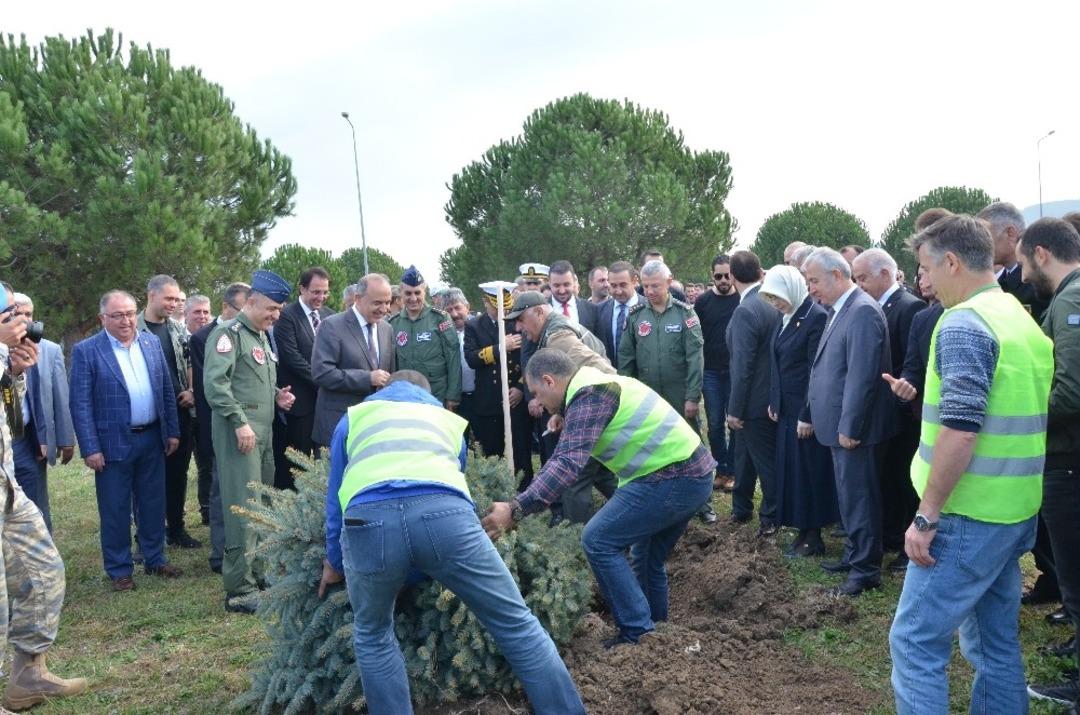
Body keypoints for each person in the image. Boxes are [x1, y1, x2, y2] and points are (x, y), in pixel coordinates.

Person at [316, 369, 585, 714]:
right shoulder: (447, 420)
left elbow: (336, 496)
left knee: (372, 632)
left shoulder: (354, 418)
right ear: (428, 394)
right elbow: (448, 485)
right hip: (445, 517)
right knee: (515, 621)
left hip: (367, 522)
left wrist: (336, 563)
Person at [885, 214, 1053, 714]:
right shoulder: (1016, 317)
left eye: (926, 269)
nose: (925, 282)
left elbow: (960, 428)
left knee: (914, 642)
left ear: (952, 262)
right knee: (994, 644)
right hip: (1015, 511)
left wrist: (927, 514)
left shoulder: (963, 324)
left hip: (965, 515)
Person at [484, 348, 715, 647]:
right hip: (688, 473)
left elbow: (566, 464)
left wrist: (516, 509)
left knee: (598, 539)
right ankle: (657, 638)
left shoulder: (590, 395)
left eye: (536, 393)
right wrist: (566, 416)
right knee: (646, 558)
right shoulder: (592, 385)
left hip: (673, 476)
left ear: (549, 380)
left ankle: (637, 632)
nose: (537, 403)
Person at [0, 284, 87, 711]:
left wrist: (13, 373)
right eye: (8, 315)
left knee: (44, 570)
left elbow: (14, 424)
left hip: (7, 489)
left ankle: (28, 674)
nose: (19, 321)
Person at [69, 290, 183, 590]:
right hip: (112, 444)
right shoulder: (87, 351)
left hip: (151, 438)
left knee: (153, 503)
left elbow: (165, 391)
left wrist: (171, 430)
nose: (125, 320)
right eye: (117, 315)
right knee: (116, 508)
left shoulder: (151, 342)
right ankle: (120, 569)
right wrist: (90, 447)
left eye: (130, 313)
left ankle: (155, 558)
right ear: (102, 318)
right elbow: (80, 404)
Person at [976, 201, 1059, 608]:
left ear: (1012, 235)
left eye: (988, 234)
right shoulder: (1003, 282)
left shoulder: (1039, 285)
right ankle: (1051, 576)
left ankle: (1057, 580)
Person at [1013, 218, 1080, 706]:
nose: (1019, 275)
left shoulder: (1072, 299)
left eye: (1020, 262)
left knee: (1075, 574)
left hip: (1068, 458)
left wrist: (1024, 421)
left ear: (1040, 253)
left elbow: (1071, 391)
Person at [203, 270, 297, 613]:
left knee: (260, 504)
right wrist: (241, 422)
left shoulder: (259, 336)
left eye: (279, 310)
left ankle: (258, 573)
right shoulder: (228, 335)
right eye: (271, 308)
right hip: (239, 432)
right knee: (242, 507)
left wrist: (276, 396)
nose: (275, 315)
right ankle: (238, 589)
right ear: (252, 301)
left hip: (263, 431)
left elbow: (247, 381)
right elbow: (216, 386)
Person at [804, 247, 895, 596]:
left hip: (856, 431)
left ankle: (865, 570)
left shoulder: (860, 313)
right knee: (850, 496)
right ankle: (856, 555)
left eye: (814, 280)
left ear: (837, 276)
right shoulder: (840, 309)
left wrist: (850, 427)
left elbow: (862, 376)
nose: (811, 288)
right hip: (841, 426)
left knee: (860, 499)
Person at [619, 260, 711, 523]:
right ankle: (657, 501)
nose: (650, 291)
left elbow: (696, 358)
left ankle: (704, 503)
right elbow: (626, 358)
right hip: (646, 396)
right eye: (646, 286)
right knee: (649, 445)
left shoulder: (685, 314)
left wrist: (693, 396)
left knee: (692, 445)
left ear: (669, 282)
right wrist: (626, 394)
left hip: (679, 394)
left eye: (655, 286)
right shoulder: (636, 316)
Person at [852, 248, 926, 572]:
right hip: (886, 412)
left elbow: (912, 363)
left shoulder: (909, 308)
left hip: (905, 411)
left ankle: (904, 544)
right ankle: (892, 535)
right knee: (891, 477)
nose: (859, 284)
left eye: (863, 277)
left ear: (885, 274)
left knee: (905, 478)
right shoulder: (877, 307)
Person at [513, 291, 615, 523]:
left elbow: (601, 369)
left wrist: (586, 410)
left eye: (521, 320)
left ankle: (578, 543)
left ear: (539, 311)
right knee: (600, 472)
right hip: (596, 408)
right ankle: (645, 518)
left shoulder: (557, 336)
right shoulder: (553, 328)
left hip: (595, 409)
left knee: (574, 480)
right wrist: (561, 411)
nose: (519, 328)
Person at [758, 266, 838, 555]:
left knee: (808, 473)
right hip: (786, 410)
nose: (774, 303)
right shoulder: (786, 317)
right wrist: (774, 400)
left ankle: (813, 536)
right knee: (792, 472)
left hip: (805, 413)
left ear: (791, 288)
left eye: (776, 296)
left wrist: (808, 414)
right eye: (769, 297)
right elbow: (779, 363)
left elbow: (815, 371)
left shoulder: (815, 317)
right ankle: (802, 531)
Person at [190, 282, 250, 574]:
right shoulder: (206, 337)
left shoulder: (253, 333)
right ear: (227, 308)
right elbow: (209, 390)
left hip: (250, 427)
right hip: (220, 425)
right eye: (244, 308)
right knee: (219, 490)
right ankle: (219, 553)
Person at [137, 275, 199, 549]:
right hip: (149, 415)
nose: (174, 304)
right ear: (151, 295)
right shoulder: (134, 329)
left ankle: (176, 528)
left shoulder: (178, 330)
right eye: (169, 298)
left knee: (178, 474)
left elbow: (190, 362)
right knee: (147, 478)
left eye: (177, 299)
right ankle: (148, 533)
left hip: (180, 411)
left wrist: (192, 391)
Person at [724, 251, 781, 534]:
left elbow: (742, 365)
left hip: (753, 402)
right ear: (761, 273)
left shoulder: (747, 310)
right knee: (743, 457)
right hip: (766, 396)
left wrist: (734, 409)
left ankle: (771, 518)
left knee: (764, 462)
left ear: (732, 277)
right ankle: (741, 507)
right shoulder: (770, 303)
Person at [10, 293, 74, 532]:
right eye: (17, 314)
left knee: (35, 501)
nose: (24, 321)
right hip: (5, 437)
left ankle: (42, 556)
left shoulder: (49, 350)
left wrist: (66, 439)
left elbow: (60, 396)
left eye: (29, 315)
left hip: (30, 438)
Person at [311, 273, 396, 447]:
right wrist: (367, 378)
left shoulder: (386, 329)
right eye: (377, 303)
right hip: (340, 425)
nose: (384, 309)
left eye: (387, 302)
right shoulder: (331, 326)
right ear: (358, 298)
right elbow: (322, 373)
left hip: (375, 427)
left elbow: (390, 373)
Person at [463, 286, 533, 488]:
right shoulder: (474, 325)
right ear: (486, 302)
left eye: (506, 306)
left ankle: (525, 493)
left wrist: (521, 387)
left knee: (521, 452)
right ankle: (495, 495)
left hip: (516, 397)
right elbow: (471, 358)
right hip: (489, 400)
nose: (503, 312)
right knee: (491, 452)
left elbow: (529, 358)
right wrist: (501, 348)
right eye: (497, 307)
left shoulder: (517, 322)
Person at [273, 267, 335, 487]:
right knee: (297, 460)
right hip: (300, 403)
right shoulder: (286, 316)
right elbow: (292, 357)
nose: (321, 297)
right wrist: (326, 379)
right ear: (302, 289)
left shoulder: (329, 316)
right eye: (316, 292)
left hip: (326, 402)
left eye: (325, 292)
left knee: (326, 457)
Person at [694, 256, 739, 491]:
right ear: (712, 275)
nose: (723, 280)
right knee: (714, 424)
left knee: (734, 422)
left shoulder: (741, 299)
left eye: (727, 275)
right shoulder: (702, 302)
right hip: (710, 371)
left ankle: (731, 470)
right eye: (718, 275)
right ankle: (720, 469)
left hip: (733, 371)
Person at [389, 266, 462, 410]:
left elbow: (453, 358)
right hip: (406, 396)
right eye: (408, 293)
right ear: (401, 294)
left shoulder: (440, 319)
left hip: (436, 394)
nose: (413, 298)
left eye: (417, 293)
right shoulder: (393, 323)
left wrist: (453, 395)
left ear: (425, 292)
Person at [182, 294, 214, 525]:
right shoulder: (178, 338)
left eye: (205, 312)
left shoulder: (215, 337)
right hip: (182, 412)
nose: (202, 317)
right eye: (197, 312)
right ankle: (175, 517)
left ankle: (207, 510)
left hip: (205, 414)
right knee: (180, 468)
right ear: (186, 315)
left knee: (207, 464)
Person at [595, 261, 641, 363]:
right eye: (613, 286)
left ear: (634, 281)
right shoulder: (598, 311)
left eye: (623, 285)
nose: (618, 291)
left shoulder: (649, 308)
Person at [548, 261, 600, 334]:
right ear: (549, 283)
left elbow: (599, 344)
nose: (562, 291)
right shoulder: (541, 311)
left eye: (566, 285)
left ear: (574, 282)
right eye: (556, 285)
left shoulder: (591, 309)